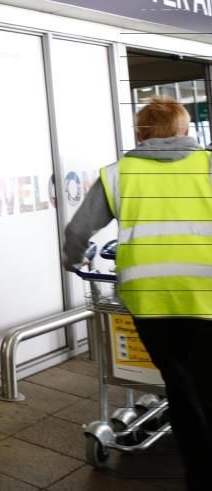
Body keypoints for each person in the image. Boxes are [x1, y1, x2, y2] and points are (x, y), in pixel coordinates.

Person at [62, 95, 212, 490]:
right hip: (207, 297)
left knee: (180, 385)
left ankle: (200, 474)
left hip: (150, 302)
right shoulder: (209, 165)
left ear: (140, 135)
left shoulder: (118, 174)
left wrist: (71, 260)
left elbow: (78, 232)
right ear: (184, 130)